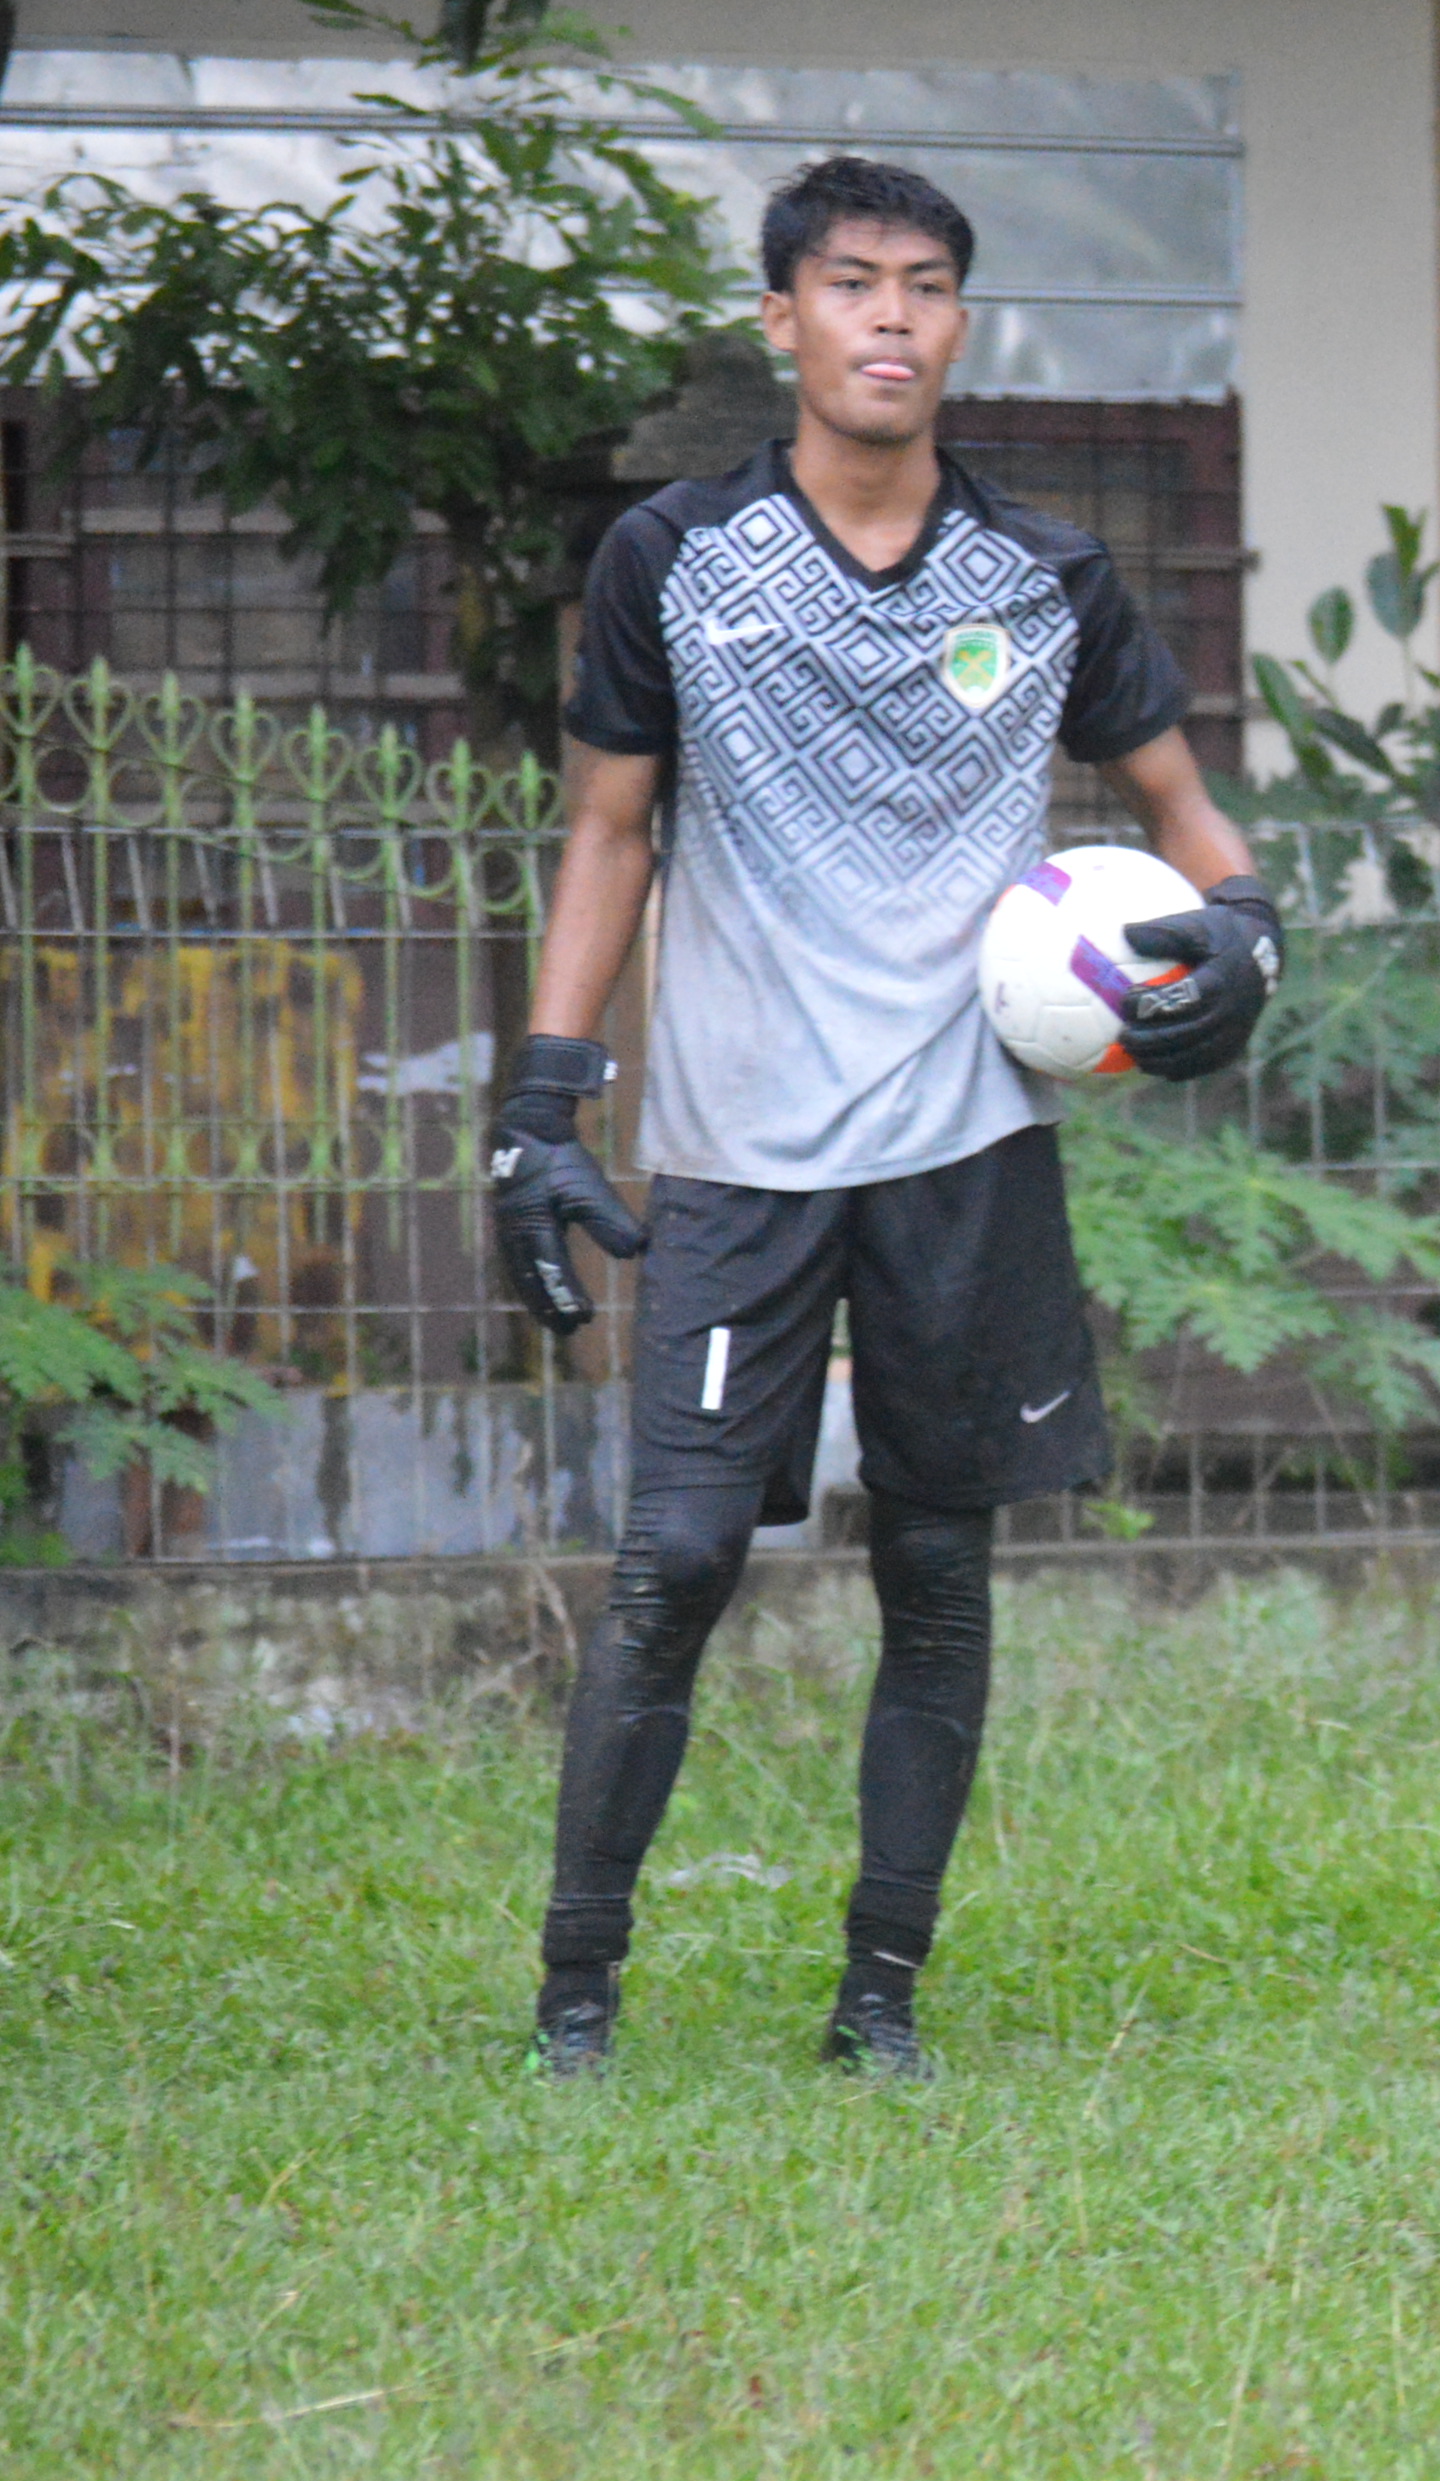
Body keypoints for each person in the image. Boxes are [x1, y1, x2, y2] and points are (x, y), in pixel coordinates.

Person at [491, 156, 1278, 2079]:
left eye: (926, 284)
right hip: (741, 1153)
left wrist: (1245, 938)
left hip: (968, 1151)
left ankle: (880, 2004)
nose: (892, 318)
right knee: (676, 1563)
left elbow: (1186, 813)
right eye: (851, 283)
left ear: (958, 322)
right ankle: (576, 2002)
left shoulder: (1045, 576)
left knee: (936, 1576)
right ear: (784, 319)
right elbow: (607, 830)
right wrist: (543, 1100)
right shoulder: (674, 557)